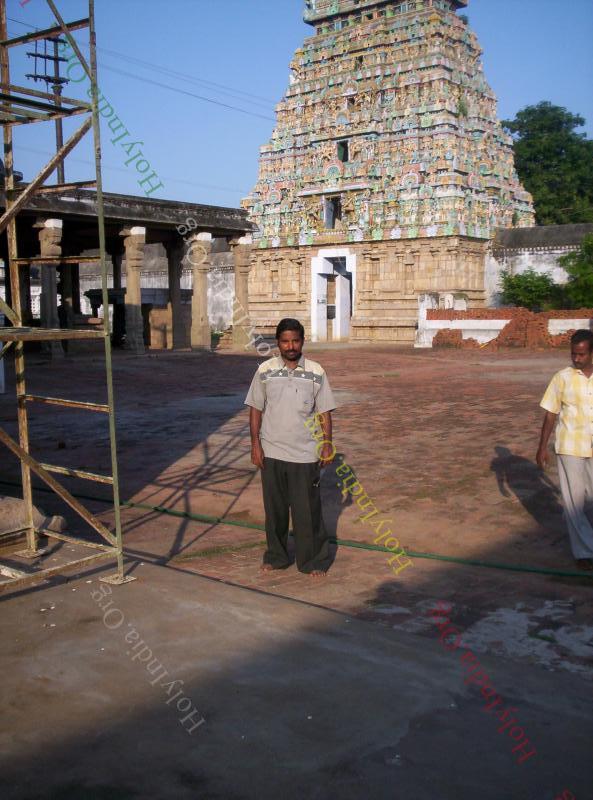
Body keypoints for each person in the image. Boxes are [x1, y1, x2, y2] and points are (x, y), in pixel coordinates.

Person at [245, 318, 336, 577]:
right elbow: (255, 409)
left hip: (305, 454)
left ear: (302, 341)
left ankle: (313, 561)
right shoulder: (265, 370)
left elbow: (325, 411)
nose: (290, 346)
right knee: (275, 512)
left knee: (307, 512)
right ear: (278, 343)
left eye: (295, 340)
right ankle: (277, 557)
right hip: (271, 452)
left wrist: (327, 444)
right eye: (285, 341)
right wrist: (255, 445)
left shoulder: (317, 371)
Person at [537, 329, 593, 570]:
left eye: (581, 354)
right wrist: (542, 448)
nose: (576, 358)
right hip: (570, 445)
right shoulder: (562, 377)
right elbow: (550, 413)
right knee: (573, 502)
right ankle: (585, 552)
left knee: (588, 500)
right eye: (573, 354)